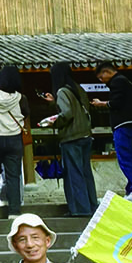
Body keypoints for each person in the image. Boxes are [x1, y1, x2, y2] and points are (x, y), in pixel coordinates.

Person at [43, 62, 98, 217]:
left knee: (74, 174)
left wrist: (54, 121)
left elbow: (66, 113)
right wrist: (54, 103)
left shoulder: (61, 91)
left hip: (71, 137)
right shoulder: (78, 88)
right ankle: (92, 206)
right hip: (85, 135)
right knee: (86, 173)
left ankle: (80, 209)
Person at [93, 62, 132, 200]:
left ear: (107, 72)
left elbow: (116, 103)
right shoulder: (125, 81)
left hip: (124, 123)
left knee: (125, 157)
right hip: (131, 124)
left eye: (100, 77)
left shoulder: (118, 82)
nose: (101, 81)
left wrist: (102, 103)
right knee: (130, 156)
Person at [0, 66, 30, 214]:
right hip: (14, 139)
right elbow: (26, 114)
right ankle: (14, 211)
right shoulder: (21, 98)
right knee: (13, 175)